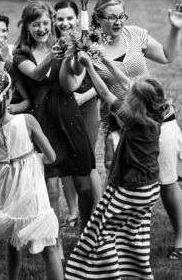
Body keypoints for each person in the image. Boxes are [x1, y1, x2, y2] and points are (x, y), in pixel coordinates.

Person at [91, 0, 182, 259]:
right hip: (120, 123)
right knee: (125, 185)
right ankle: (126, 242)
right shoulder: (91, 45)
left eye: (122, 15)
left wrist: (175, 29)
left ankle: (180, 236)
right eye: (111, 17)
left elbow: (168, 56)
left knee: (166, 180)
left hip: (156, 119)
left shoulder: (134, 34)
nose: (118, 21)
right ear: (98, 19)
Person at [66, 56, 167, 280]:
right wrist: (105, 60)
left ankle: (105, 275)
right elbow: (130, 84)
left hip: (132, 190)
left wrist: (90, 67)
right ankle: (136, 273)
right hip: (148, 188)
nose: (126, 93)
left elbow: (104, 93)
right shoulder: (154, 114)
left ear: (137, 103)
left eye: (130, 96)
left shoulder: (136, 120)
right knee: (134, 233)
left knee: (102, 233)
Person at [0, 69, 63, 280]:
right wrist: (33, 161)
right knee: (49, 246)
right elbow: (51, 156)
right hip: (32, 195)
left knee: (13, 242)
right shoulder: (27, 121)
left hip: (5, 200)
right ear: (9, 95)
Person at [12, 0, 95, 237]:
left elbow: (75, 74)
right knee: (51, 185)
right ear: (26, 26)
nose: (42, 28)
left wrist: (79, 54)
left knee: (83, 181)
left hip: (68, 113)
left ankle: (86, 233)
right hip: (42, 119)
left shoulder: (65, 45)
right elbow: (37, 75)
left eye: (46, 23)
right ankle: (52, 236)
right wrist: (52, 55)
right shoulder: (20, 54)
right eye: (35, 24)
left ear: (52, 23)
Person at [52, 0, 103, 228]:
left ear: (77, 18)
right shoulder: (54, 44)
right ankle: (73, 210)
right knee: (66, 159)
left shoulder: (90, 41)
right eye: (60, 18)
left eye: (69, 18)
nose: (64, 22)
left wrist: (85, 96)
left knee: (87, 160)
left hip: (87, 103)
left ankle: (97, 212)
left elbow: (103, 79)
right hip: (63, 106)